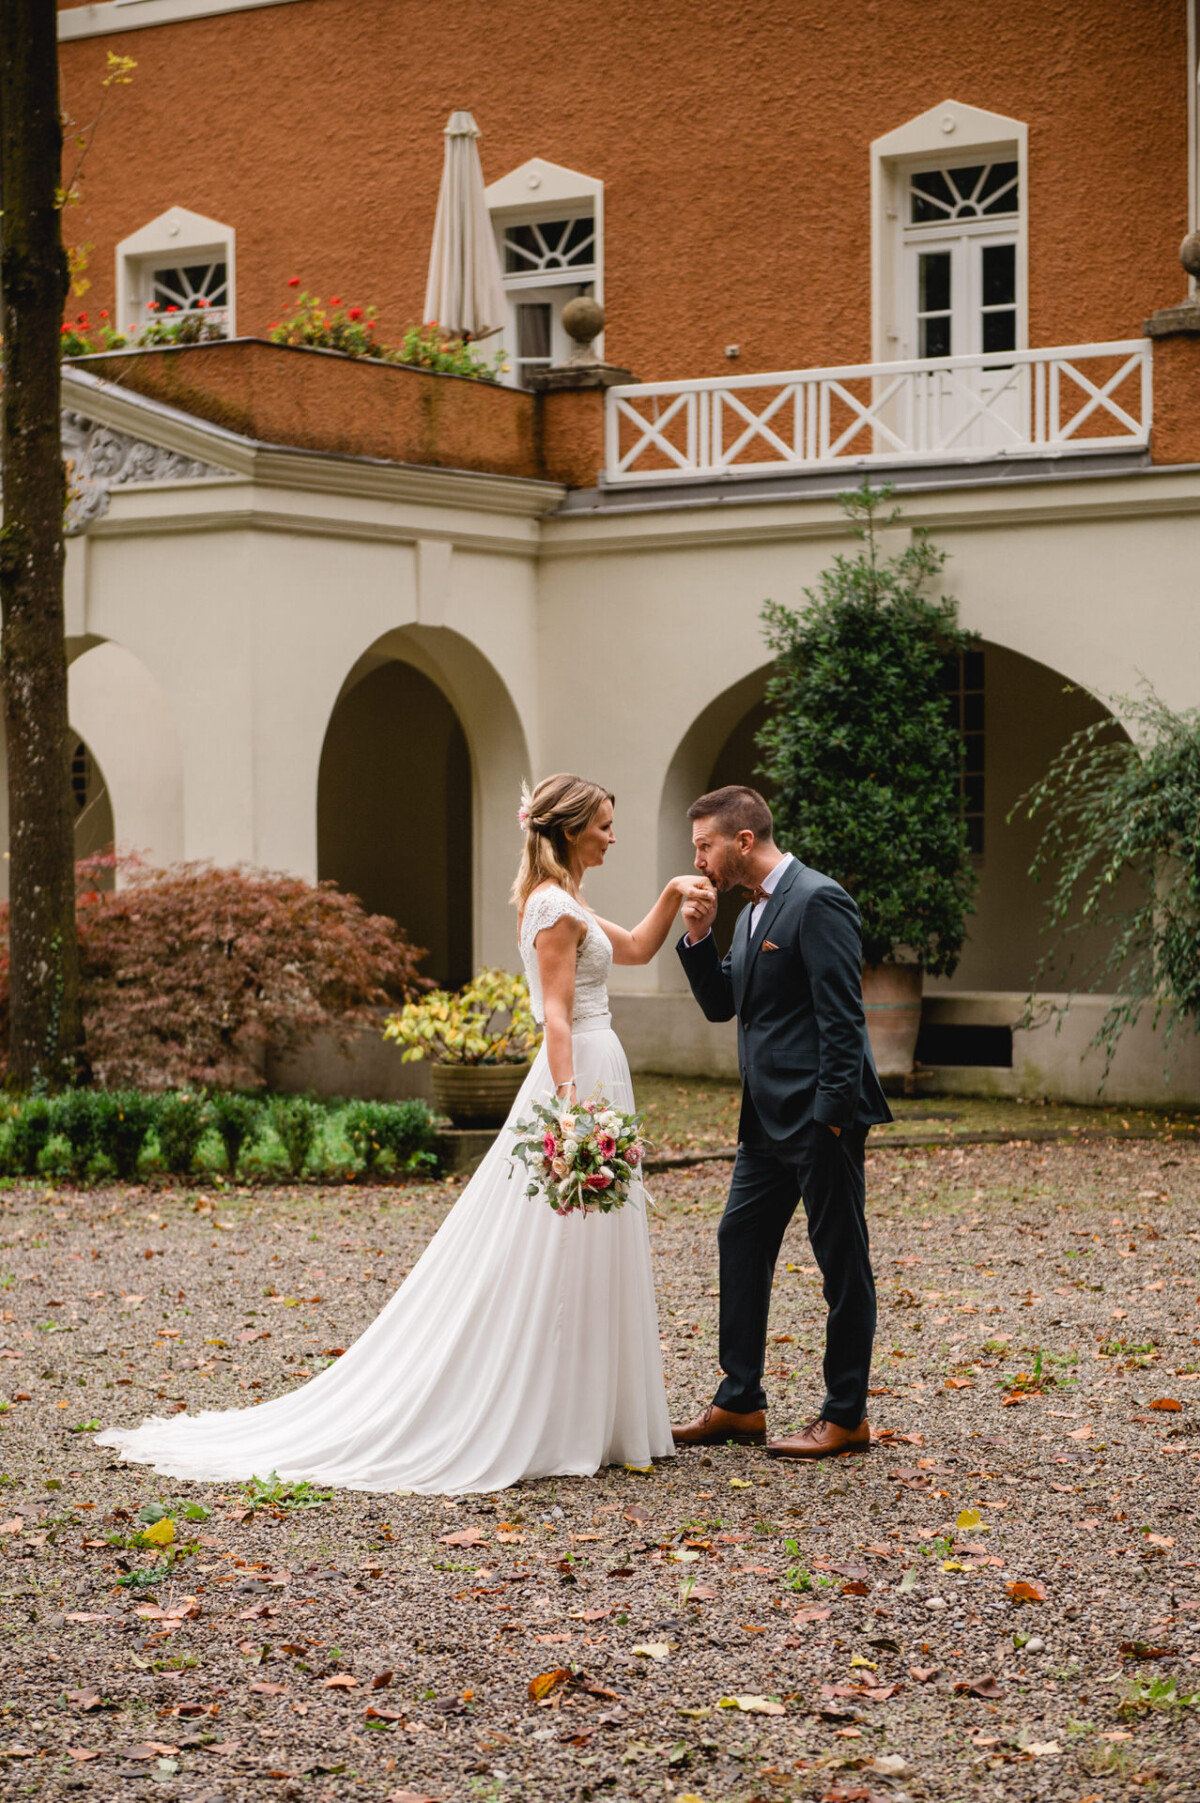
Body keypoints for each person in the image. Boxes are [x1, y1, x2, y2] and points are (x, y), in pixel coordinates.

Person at [97, 775, 710, 1495]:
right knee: (553, 1241)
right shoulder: (550, 906)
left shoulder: (569, 901)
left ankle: (594, 1413)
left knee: (593, 1239)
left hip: (600, 1067)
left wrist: (673, 893)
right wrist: (570, 1107)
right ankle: (547, 1410)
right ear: (570, 829)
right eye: (604, 824)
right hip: (576, 1075)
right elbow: (554, 1013)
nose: (612, 836)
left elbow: (634, 949)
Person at [671, 785, 892, 1459]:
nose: (698, 860)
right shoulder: (748, 914)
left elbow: (842, 1019)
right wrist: (700, 935)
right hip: (764, 1122)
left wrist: (832, 1120)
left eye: (705, 846)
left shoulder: (818, 899)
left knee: (841, 1262)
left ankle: (846, 1415)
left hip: (819, 1119)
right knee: (739, 1238)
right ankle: (740, 1401)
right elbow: (722, 1003)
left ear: (743, 841)